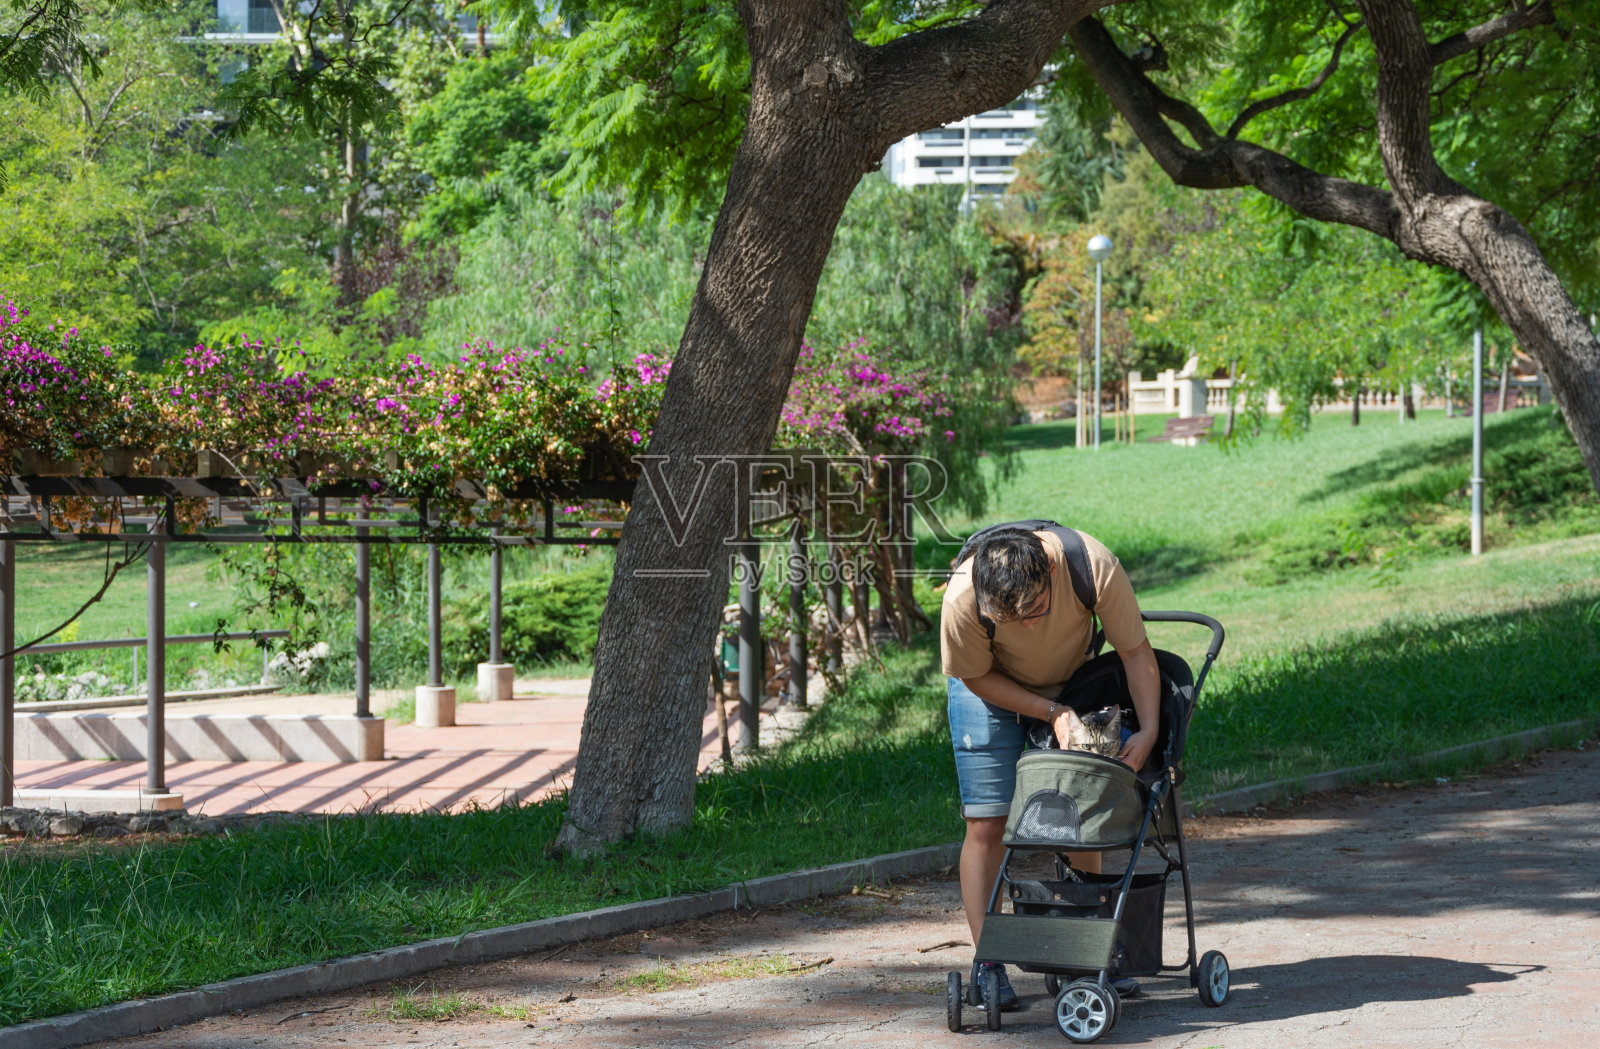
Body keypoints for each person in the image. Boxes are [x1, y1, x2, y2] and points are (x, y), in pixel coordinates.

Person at [940, 526, 1161, 1009]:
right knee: (987, 821)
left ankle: (1083, 954)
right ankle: (989, 962)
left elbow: (1134, 651)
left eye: (1035, 611)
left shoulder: (1093, 567)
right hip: (988, 688)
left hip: (1073, 679)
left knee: (1081, 809)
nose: (1025, 628)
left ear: (1053, 571)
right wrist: (1051, 713)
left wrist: (1147, 730)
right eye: (1008, 619)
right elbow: (974, 675)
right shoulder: (962, 599)